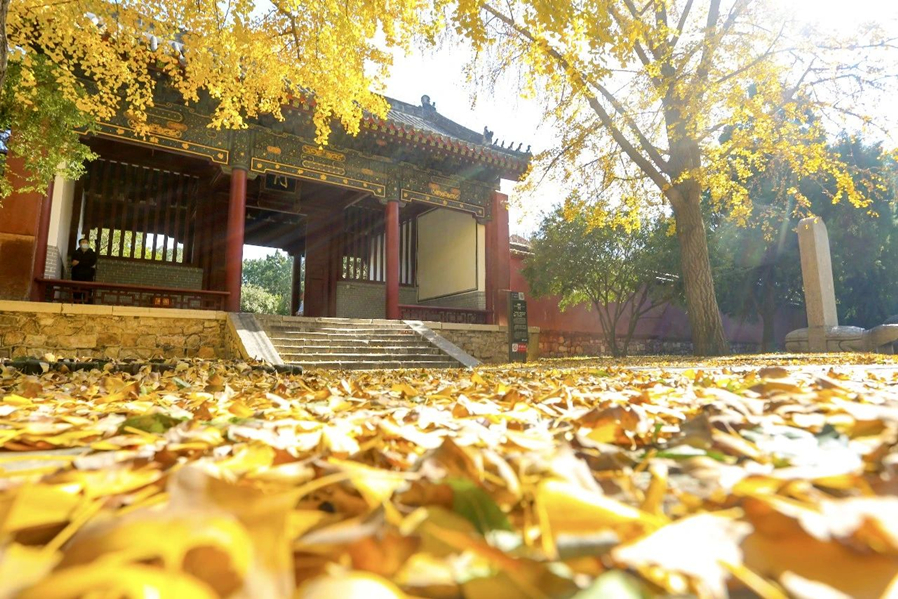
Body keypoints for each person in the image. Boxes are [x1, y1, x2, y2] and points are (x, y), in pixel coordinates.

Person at [71, 237, 97, 303]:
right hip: (76, 278)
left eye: (86, 242)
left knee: (87, 297)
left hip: (88, 278)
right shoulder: (76, 253)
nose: (85, 243)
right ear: (79, 244)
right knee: (76, 296)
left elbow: (92, 263)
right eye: (83, 242)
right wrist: (86, 263)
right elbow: (73, 263)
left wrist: (79, 262)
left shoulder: (92, 254)